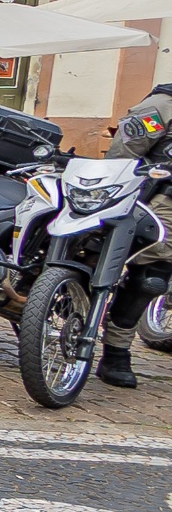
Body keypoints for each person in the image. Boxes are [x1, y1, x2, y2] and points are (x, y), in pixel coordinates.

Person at [94, 79, 172, 387]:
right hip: (161, 202)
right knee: (151, 278)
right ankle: (115, 352)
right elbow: (124, 152)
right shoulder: (162, 106)